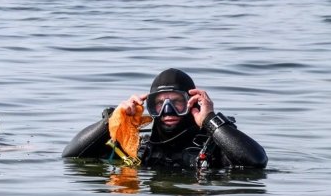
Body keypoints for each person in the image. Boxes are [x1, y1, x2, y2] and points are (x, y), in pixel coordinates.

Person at [62, 68, 267, 169]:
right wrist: (113, 121)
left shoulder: (213, 146)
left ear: (192, 103)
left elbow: (257, 162)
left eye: (177, 102)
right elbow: (71, 157)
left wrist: (210, 120)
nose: (167, 111)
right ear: (149, 107)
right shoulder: (137, 146)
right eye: (159, 104)